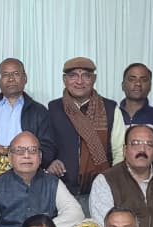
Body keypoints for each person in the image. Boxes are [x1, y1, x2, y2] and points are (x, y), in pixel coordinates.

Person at [48, 57, 123, 207]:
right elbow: (47, 145)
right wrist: (50, 162)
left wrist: (112, 184)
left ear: (93, 79)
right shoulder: (53, 108)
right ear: (64, 80)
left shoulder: (110, 108)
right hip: (61, 190)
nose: (79, 81)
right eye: (73, 76)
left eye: (86, 76)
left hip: (101, 190)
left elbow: (120, 152)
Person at [0, 58, 56, 164]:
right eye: (5, 75)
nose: (11, 79)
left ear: (25, 78)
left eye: (16, 74)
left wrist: (5, 151)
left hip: (28, 170)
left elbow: (48, 151)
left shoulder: (39, 112)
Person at [119, 63, 153, 127]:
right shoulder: (112, 117)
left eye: (144, 80)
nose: (138, 83)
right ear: (123, 86)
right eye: (131, 79)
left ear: (150, 86)